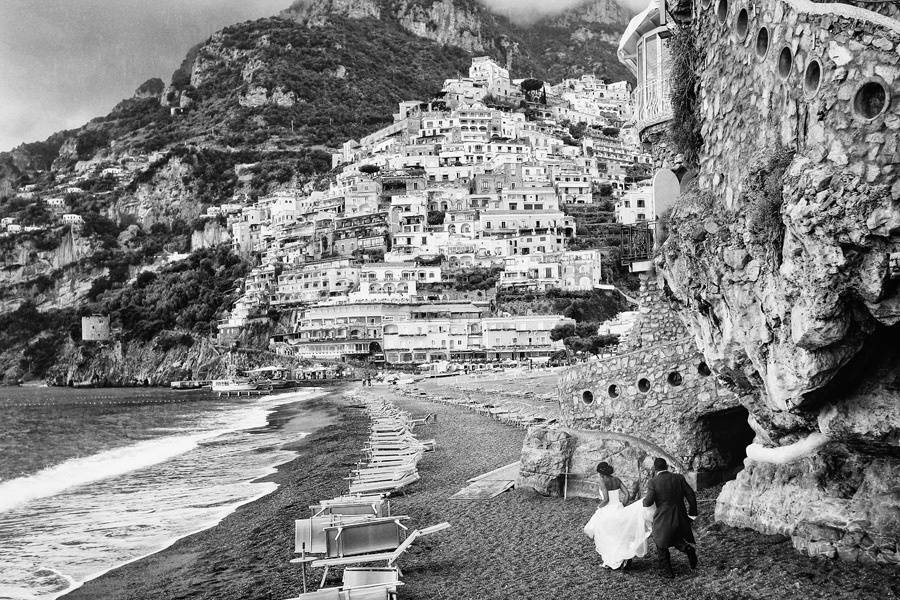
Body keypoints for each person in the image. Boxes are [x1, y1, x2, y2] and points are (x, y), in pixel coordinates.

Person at [583, 462, 654, 569]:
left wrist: (598, 508)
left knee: (599, 532)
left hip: (608, 510)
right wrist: (622, 505)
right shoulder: (616, 479)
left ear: (600, 473)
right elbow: (627, 494)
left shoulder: (602, 481)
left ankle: (612, 559)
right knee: (619, 534)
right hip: (618, 508)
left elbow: (606, 499)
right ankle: (623, 557)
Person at [642, 457, 698, 578]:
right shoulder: (678, 477)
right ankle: (687, 548)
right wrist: (692, 513)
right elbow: (690, 494)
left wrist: (644, 502)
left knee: (659, 540)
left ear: (655, 469)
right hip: (680, 514)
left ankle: (667, 571)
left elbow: (649, 502)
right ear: (667, 466)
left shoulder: (653, 482)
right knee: (675, 535)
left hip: (663, 516)